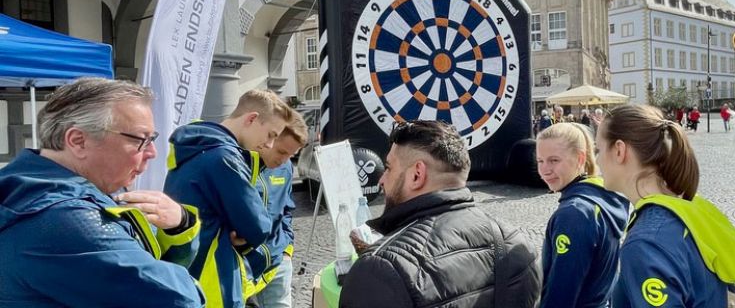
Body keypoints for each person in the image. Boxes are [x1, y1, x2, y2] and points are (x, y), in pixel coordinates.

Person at [0, 77, 203, 306]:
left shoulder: (30, 187)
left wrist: (180, 226)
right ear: (78, 141)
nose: (152, 152)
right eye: (141, 140)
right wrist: (191, 284)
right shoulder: (65, 217)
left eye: (152, 139)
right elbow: (177, 299)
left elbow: (147, 267)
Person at [340, 120, 541, 308]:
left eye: (388, 168)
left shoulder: (380, 270)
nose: (382, 179)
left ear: (417, 175)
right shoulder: (518, 243)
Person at [595, 105, 735, 307]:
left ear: (619, 150)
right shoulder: (692, 208)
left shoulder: (647, 242)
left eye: (598, 149)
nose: (597, 160)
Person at [164, 89, 294, 308]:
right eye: (271, 135)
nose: (269, 145)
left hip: (188, 267)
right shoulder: (224, 158)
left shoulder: (196, 145)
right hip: (214, 274)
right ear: (252, 119)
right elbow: (258, 227)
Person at [535, 123, 629, 308]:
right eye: (540, 161)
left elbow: (561, 293)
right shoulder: (602, 197)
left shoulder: (574, 214)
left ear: (579, 159)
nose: (545, 169)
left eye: (554, 160)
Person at [245, 112, 308, 308]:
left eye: (292, 155)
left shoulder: (286, 167)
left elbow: (287, 209)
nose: (286, 160)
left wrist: (287, 249)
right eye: (282, 152)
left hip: (278, 261)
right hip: (244, 267)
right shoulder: (238, 165)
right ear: (270, 138)